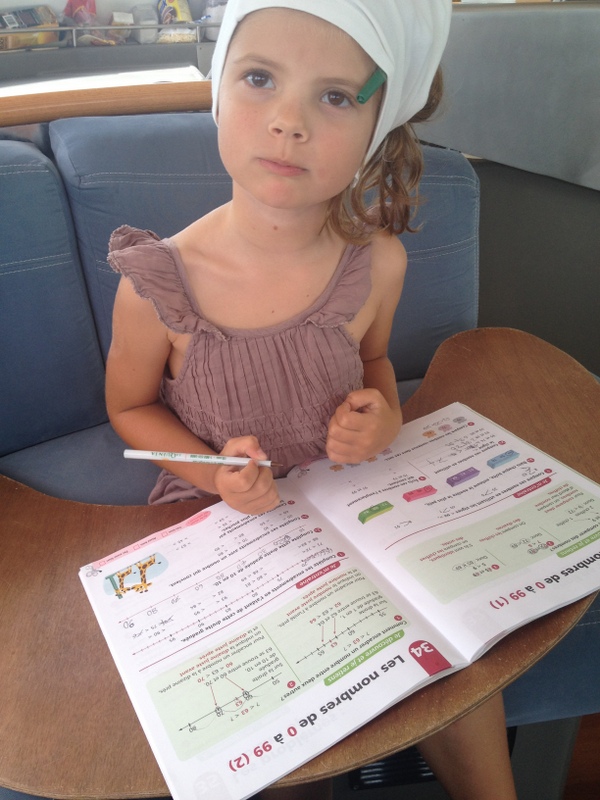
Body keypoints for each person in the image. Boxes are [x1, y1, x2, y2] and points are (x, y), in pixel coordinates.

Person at [105, 1, 518, 797]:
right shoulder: (159, 283)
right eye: (260, 78)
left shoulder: (379, 262)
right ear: (218, 92)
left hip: (360, 501)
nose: (288, 121)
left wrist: (384, 416)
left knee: (467, 663)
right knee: (277, 729)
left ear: (377, 130)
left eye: (334, 96)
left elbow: (373, 361)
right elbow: (129, 408)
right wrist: (213, 471)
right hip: (231, 517)